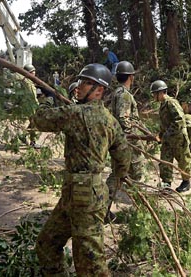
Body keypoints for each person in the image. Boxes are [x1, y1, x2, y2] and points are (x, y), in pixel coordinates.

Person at [31, 63, 130, 276]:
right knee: (47, 244)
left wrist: (49, 97)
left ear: (99, 90)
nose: (79, 86)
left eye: (86, 83)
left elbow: (39, 119)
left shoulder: (76, 114)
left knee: (90, 264)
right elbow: (123, 161)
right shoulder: (111, 122)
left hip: (84, 198)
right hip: (76, 195)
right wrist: (108, 190)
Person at [107, 61, 147, 218]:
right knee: (136, 175)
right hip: (128, 142)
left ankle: (103, 209)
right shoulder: (123, 94)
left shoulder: (117, 93)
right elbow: (124, 120)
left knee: (118, 175)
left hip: (120, 140)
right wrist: (134, 138)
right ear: (131, 77)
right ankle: (141, 213)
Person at [151, 80, 191, 193]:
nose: (153, 96)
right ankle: (166, 183)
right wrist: (161, 134)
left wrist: (167, 134)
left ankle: (186, 182)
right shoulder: (163, 105)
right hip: (168, 139)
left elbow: (179, 120)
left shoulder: (171, 103)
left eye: (155, 93)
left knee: (183, 161)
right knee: (165, 161)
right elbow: (165, 123)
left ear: (161, 93)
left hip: (178, 138)